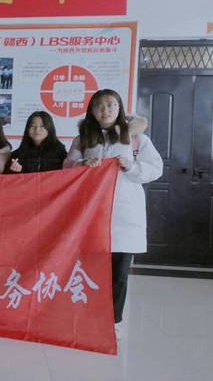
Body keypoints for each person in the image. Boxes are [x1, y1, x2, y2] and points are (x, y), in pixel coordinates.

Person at [63, 89, 163, 338]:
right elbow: (66, 167)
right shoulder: (83, 139)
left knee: (119, 273)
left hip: (124, 215)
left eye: (111, 105)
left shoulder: (136, 139)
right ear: (92, 110)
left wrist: (131, 166)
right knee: (91, 269)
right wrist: (82, 165)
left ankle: (113, 320)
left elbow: (156, 168)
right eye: (99, 106)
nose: (105, 110)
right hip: (92, 214)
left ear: (119, 108)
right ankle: (89, 316)